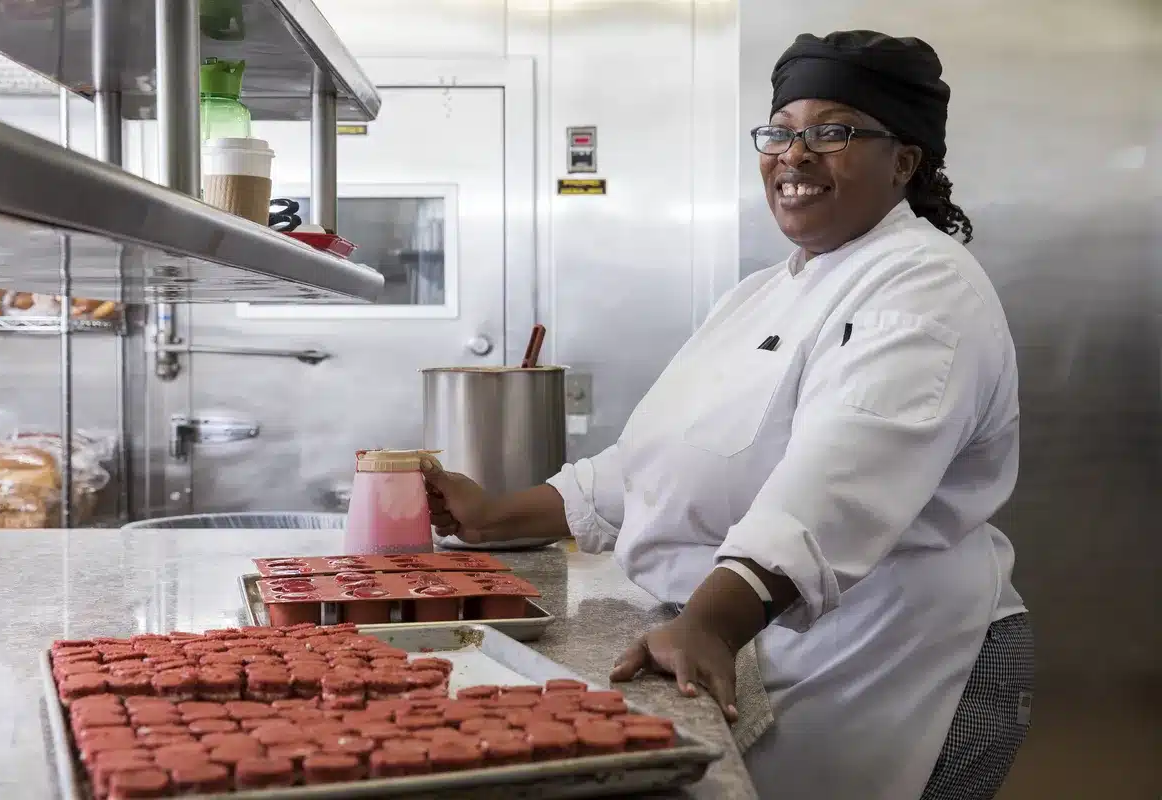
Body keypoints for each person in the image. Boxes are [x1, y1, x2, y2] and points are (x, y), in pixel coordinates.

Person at [422, 29, 1033, 800]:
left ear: (903, 161)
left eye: (832, 132)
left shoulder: (924, 291)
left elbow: (838, 484)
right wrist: (493, 515)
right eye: (780, 131)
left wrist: (711, 622)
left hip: (894, 664)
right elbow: (654, 458)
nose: (795, 155)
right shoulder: (761, 292)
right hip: (772, 651)